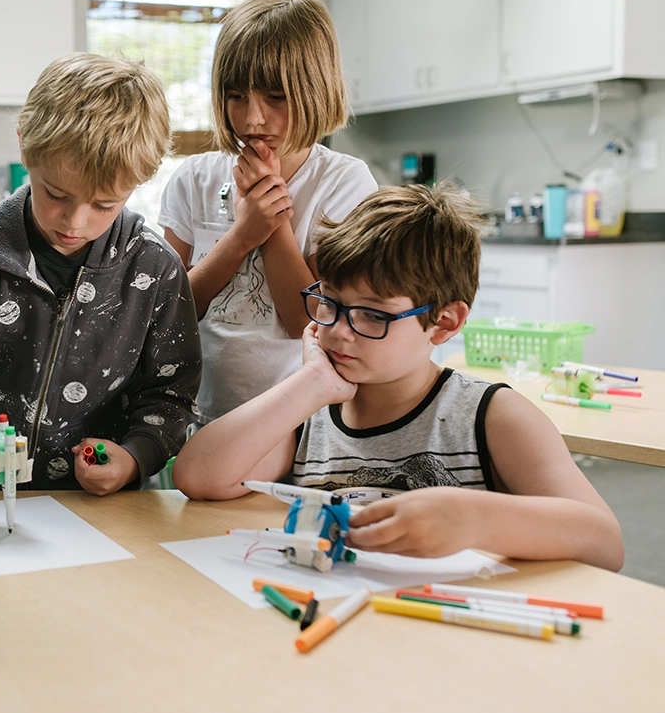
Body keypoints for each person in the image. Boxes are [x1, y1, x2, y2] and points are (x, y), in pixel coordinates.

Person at [172, 184, 624, 571]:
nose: (338, 331)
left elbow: (605, 542)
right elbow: (198, 477)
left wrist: (476, 519)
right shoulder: (310, 411)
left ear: (445, 322)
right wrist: (311, 383)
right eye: (329, 303)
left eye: (371, 315)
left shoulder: (490, 416)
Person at [0, 53, 201, 498]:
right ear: (24, 146)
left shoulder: (154, 269)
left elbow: (170, 395)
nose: (74, 221)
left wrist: (135, 457)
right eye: (56, 193)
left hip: (102, 507)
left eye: (103, 205)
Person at [159, 0, 378, 424]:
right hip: (196, 414)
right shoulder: (193, 179)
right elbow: (168, 314)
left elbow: (311, 324)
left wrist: (273, 224)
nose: (252, 118)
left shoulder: (344, 183)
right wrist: (241, 236)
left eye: (275, 97)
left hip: (297, 424)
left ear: (316, 90)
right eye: (236, 96)